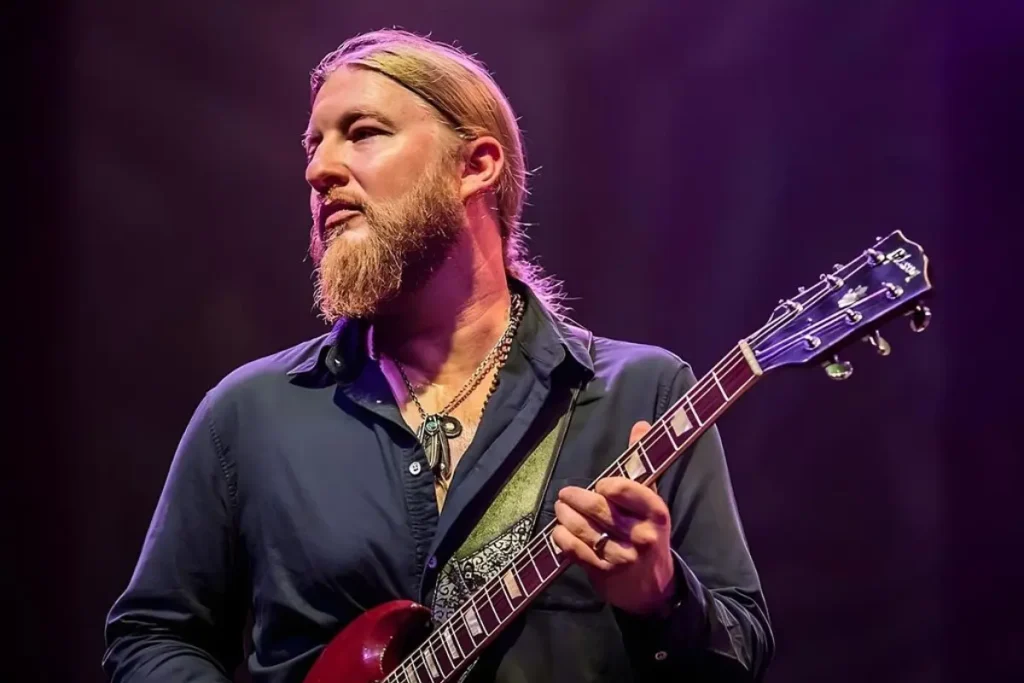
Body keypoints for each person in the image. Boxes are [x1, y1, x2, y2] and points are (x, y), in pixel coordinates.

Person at [102, 29, 774, 683]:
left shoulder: (644, 395)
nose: (319, 168)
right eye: (314, 143)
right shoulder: (248, 415)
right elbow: (155, 635)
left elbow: (742, 654)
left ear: (476, 166)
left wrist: (659, 596)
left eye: (362, 132)